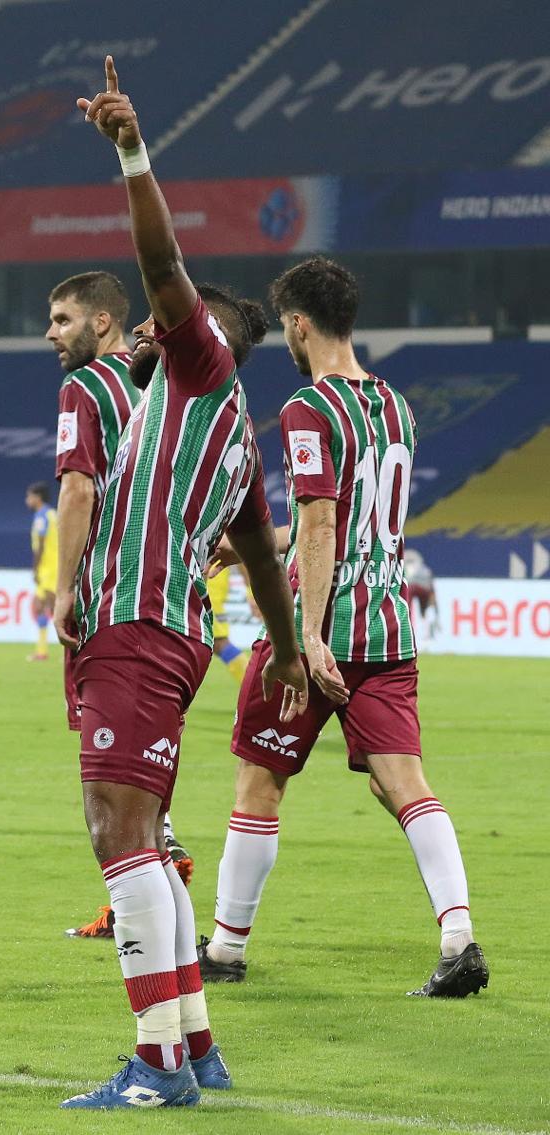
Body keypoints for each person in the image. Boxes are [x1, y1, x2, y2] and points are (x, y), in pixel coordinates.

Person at [55, 60, 308, 1111]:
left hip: (131, 627)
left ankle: (156, 1065)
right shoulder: (239, 448)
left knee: (117, 835)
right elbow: (258, 554)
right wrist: (290, 651)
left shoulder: (198, 363)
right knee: (145, 838)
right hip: (174, 640)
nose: (156, 322)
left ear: (199, 334)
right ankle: (192, 1043)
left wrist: (128, 149)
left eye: (169, 317)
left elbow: (158, 256)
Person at [197, 256, 488, 999]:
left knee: (260, 778)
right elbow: (347, 523)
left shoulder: (308, 408)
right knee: (404, 783)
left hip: (314, 628)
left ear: (297, 324)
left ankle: (226, 947)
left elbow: (325, 520)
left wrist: (310, 635)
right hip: (387, 625)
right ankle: (458, 936)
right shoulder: (397, 406)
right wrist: (266, 543)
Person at [44, 273, 195, 945]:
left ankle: (139, 899)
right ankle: (162, 850)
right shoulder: (155, 387)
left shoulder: (84, 387)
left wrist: (64, 584)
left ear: (102, 322)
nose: (50, 332)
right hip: (172, 599)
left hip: (112, 595)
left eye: (61, 318)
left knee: (107, 772)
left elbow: (78, 489)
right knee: (148, 754)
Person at [25, 481, 58, 662]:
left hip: (48, 569)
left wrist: (36, 568)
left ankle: (67, 651)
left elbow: (41, 545)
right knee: (44, 608)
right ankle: (42, 651)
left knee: (51, 609)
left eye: (29, 496)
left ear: (37, 497)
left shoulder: (41, 517)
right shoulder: (54, 514)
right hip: (56, 566)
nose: (27, 500)